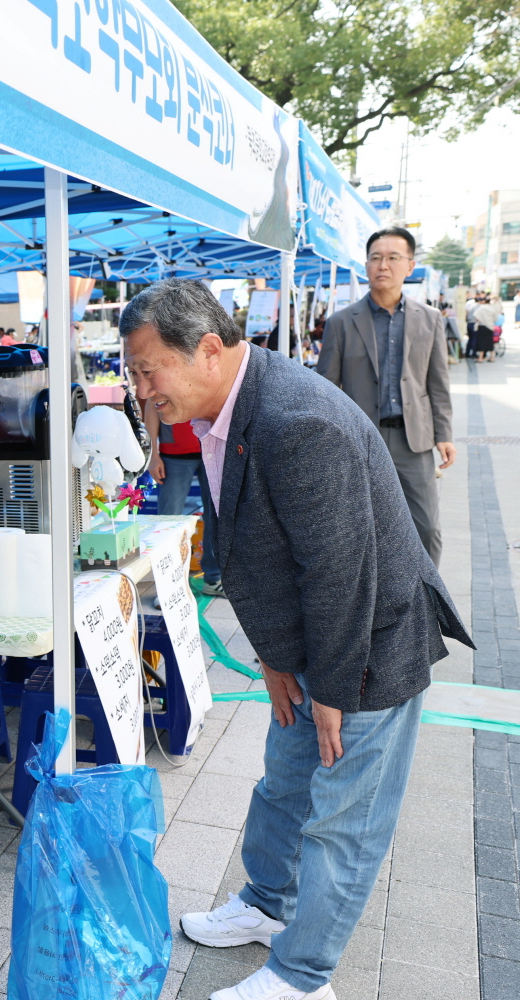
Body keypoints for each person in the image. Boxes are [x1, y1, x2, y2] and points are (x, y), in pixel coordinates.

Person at [120, 279, 472, 1000]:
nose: (140, 389)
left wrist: (332, 692)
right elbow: (250, 546)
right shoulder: (228, 407)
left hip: (368, 643)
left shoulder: (295, 420)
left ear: (209, 351)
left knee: (344, 816)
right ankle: (263, 903)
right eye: (133, 373)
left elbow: (340, 575)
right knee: (284, 779)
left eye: (148, 370)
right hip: (315, 641)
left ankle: (304, 977)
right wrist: (279, 661)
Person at [316, 227, 455, 566]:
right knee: (362, 529)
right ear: (366, 266)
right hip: (361, 441)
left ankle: (428, 606)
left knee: (427, 529)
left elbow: (437, 382)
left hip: (414, 442)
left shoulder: (430, 319)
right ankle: (375, 603)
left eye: (393, 258)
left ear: (410, 266)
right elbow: (324, 390)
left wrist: (444, 435)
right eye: (376, 258)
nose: (383, 265)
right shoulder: (341, 322)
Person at [142, 408, 222, 597]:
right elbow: (152, 408)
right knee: (168, 524)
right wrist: (153, 455)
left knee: (216, 517)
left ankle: (214, 578)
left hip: (212, 447)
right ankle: (168, 588)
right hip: (174, 452)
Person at [470, 293, 500, 362]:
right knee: (490, 342)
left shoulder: (481, 308)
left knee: (481, 342)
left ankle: (480, 358)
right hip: (490, 326)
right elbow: (496, 319)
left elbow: (476, 317)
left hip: (482, 326)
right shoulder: (493, 308)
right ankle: (492, 357)